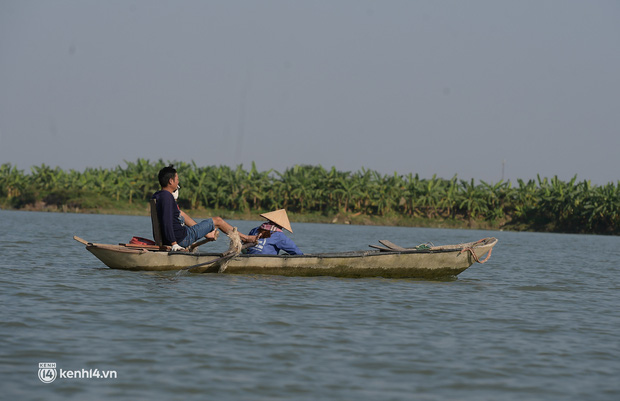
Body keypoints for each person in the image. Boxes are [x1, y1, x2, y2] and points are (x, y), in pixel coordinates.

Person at [152, 165, 258, 251]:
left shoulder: (158, 195)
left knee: (181, 213)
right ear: (171, 181)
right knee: (218, 220)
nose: (178, 182)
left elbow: (176, 216)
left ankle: (208, 233)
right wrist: (174, 244)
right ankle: (246, 238)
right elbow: (166, 222)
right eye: (177, 179)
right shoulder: (167, 197)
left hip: (179, 235)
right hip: (181, 239)